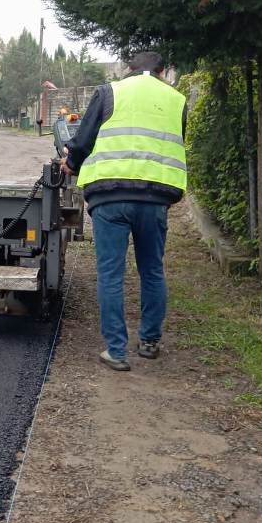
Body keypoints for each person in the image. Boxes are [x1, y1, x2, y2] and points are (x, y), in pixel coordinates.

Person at [61, 51, 187, 371]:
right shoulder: (176, 100)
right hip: (155, 198)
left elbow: (83, 140)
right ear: (162, 71)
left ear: (128, 71)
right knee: (152, 269)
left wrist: (70, 163)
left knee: (110, 274)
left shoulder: (109, 92)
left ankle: (116, 351)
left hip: (110, 197)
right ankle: (149, 341)